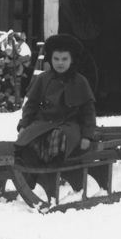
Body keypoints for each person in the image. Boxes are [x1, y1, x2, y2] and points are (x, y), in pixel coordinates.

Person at [14, 33, 96, 166]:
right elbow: (31, 105)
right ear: (50, 60)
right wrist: (24, 125)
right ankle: (28, 163)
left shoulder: (80, 81)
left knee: (58, 136)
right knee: (29, 137)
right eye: (56, 59)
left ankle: (54, 163)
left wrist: (87, 135)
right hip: (44, 122)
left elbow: (88, 112)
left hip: (69, 125)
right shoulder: (43, 79)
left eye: (64, 59)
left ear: (72, 60)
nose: (60, 63)